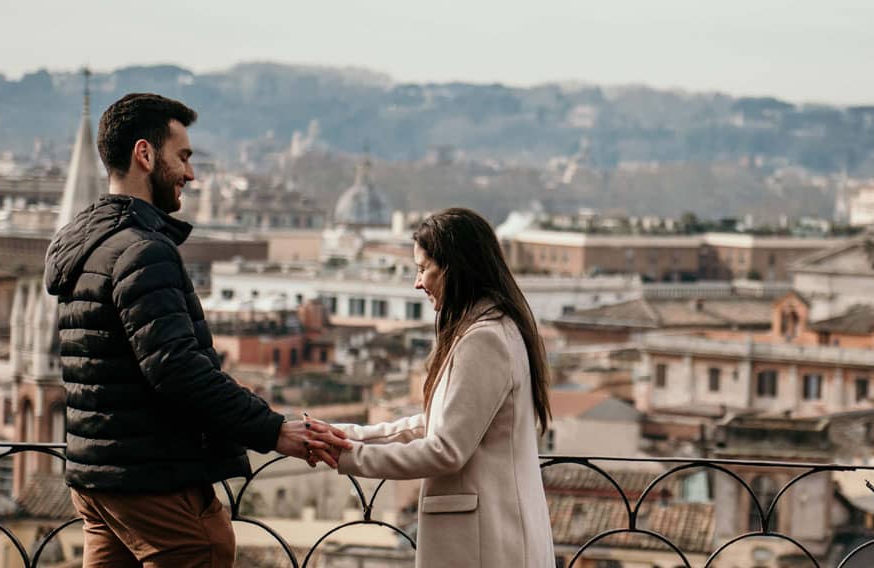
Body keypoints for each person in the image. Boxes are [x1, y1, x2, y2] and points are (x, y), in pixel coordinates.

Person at [44, 92, 349, 567]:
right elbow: (177, 367)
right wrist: (273, 430)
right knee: (204, 549)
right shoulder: (143, 250)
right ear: (145, 154)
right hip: (152, 479)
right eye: (183, 156)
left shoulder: (83, 245)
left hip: (95, 477)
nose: (191, 173)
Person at [330, 208, 555, 567]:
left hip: (485, 544)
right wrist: (345, 436)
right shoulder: (491, 328)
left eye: (422, 269)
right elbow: (439, 424)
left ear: (454, 267)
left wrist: (347, 455)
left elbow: (445, 449)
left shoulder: (485, 339)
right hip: (492, 539)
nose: (417, 283)